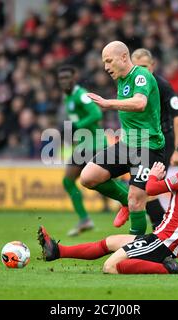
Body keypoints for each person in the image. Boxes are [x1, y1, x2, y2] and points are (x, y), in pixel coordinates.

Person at [38, 141, 178, 274]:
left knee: (111, 266)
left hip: (163, 242)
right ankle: (57, 251)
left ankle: (168, 269)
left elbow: (150, 189)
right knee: (110, 242)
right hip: (165, 241)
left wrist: (152, 175)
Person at [83, 40, 165, 235]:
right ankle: (124, 203)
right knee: (87, 178)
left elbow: (140, 103)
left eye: (109, 61)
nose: (106, 67)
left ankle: (134, 250)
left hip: (148, 146)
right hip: (126, 145)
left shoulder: (141, 76)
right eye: (104, 62)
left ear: (124, 57)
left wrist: (107, 103)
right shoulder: (121, 79)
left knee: (137, 200)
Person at [131, 48, 178, 230]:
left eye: (145, 66)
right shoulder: (130, 85)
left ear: (153, 66)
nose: (142, 71)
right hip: (141, 141)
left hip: (161, 142)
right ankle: (161, 229)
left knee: (148, 188)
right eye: (137, 67)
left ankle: (161, 228)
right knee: (141, 188)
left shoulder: (162, 85)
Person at [57, 65, 106, 236]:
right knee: (70, 181)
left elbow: (97, 114)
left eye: (67, 78)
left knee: (98, 181)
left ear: (74, 78)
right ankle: (85, 219)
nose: (64, 81)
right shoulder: (67, 98)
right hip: (84, 145)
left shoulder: (81, 95)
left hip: (95, 143)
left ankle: (132, 199)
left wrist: (76, 126)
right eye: (61, 78)